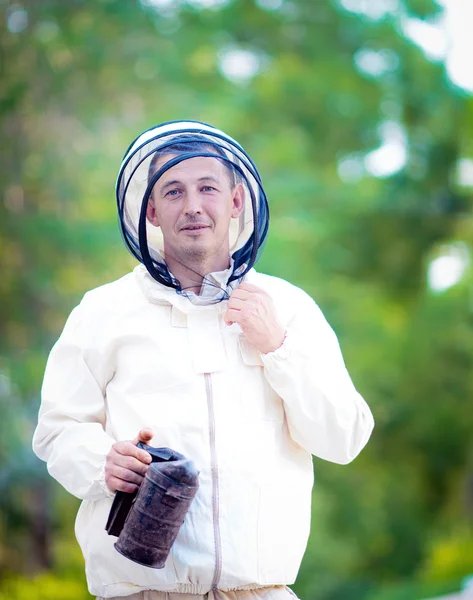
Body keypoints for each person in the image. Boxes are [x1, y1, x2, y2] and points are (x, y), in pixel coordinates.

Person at [32, 120, 374, 600]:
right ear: (151, 210)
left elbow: (344, 439)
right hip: (138, 591)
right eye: (173, 191)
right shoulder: (102, 312)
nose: (192, 206)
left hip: (262, 592)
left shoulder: (287, 307)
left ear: (236, 201)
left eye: (207, 187)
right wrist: (102, 464)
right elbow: (57, 430)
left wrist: (278, 348)